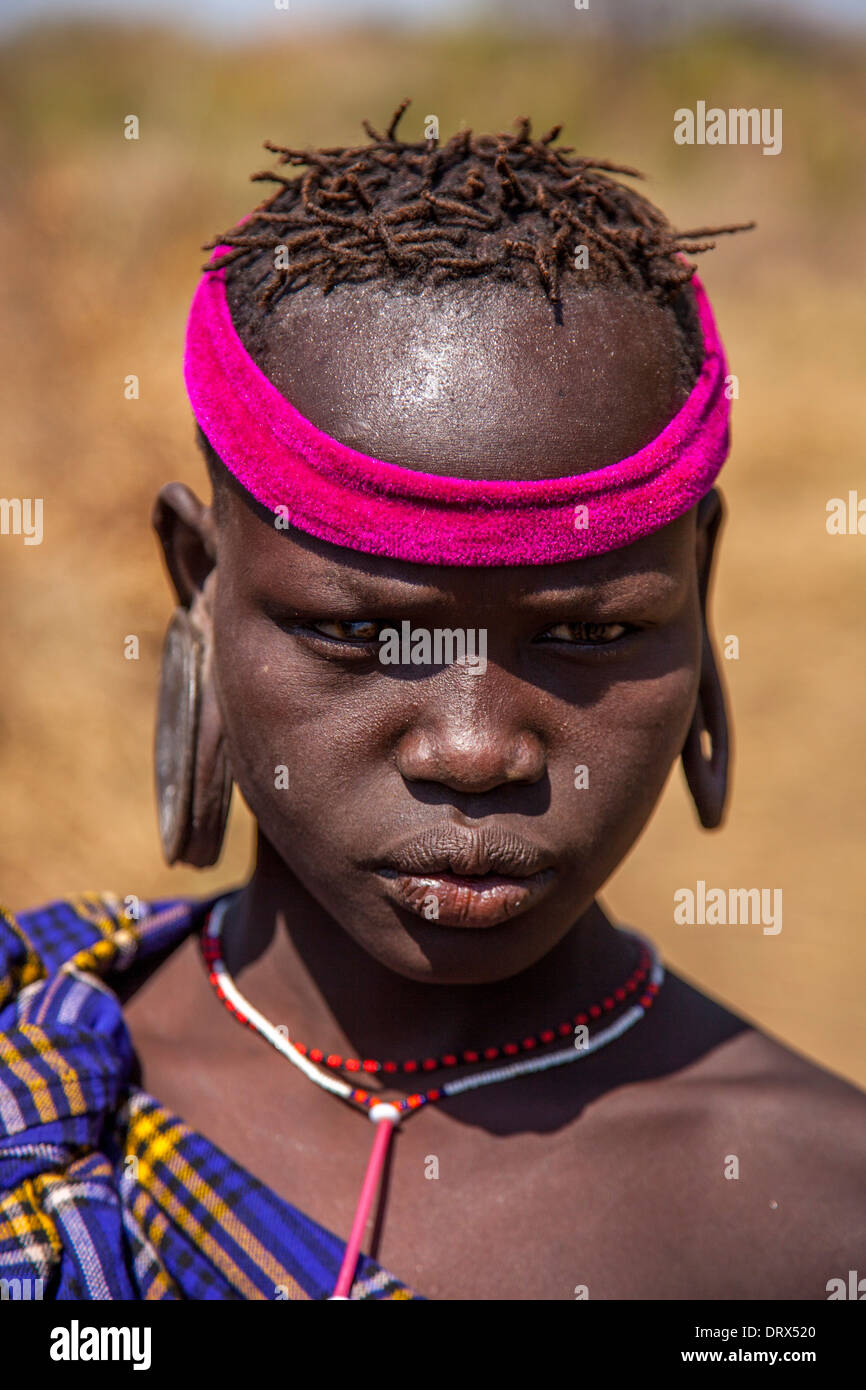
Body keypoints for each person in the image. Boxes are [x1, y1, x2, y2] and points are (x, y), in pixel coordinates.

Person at [1, 107, 862, 1302]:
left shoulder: (816, 1218)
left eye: (590, 632)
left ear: (696, 591)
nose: (474, 751)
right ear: (197, 585)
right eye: (356, 632)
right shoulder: (34, 1080)